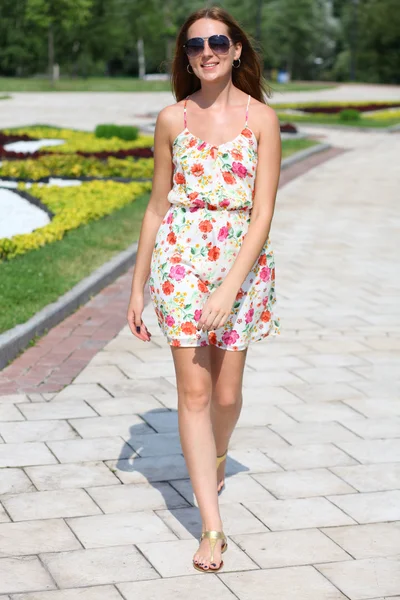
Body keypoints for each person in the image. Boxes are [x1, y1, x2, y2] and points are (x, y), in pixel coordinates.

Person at [127, 5, 281, 573]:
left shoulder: (262, 118)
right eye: (196, 45)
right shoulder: (172, 118)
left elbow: (263, 211)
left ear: (237, 49)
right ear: (185, 57)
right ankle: (211, 526)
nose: (208, 52)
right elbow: (156, 208)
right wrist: (138, 287)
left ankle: (217, 454)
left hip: (241, 265)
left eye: (219, 41)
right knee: (193, 395)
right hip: (182, 262)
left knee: (224, 396)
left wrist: (230, 286)